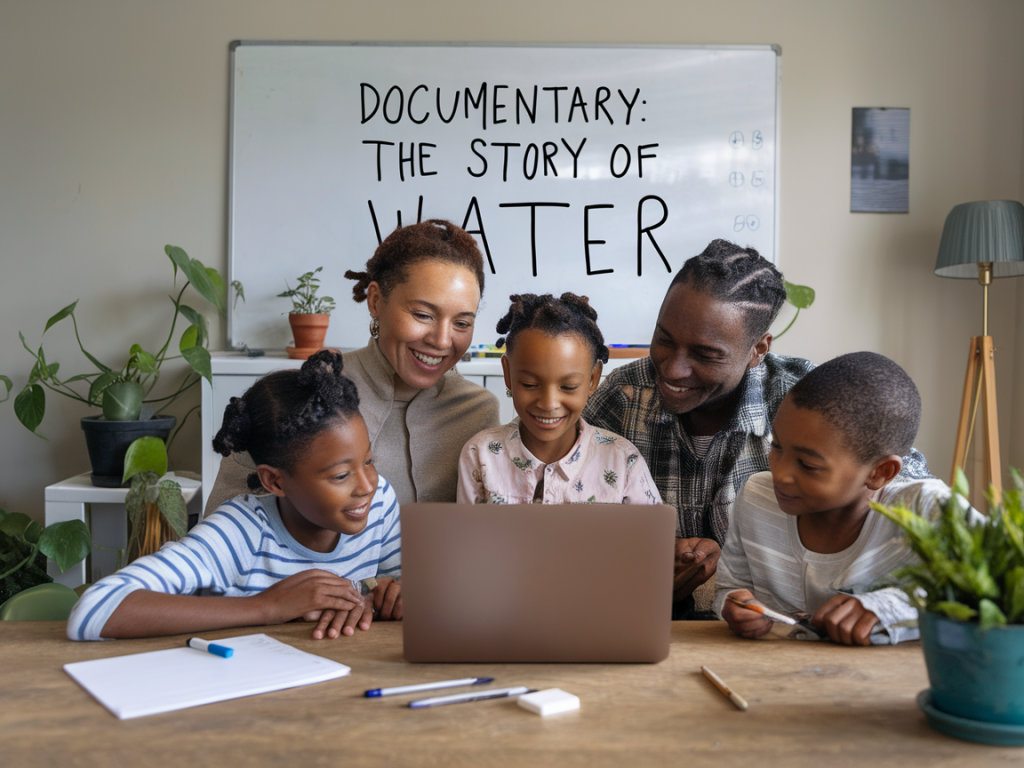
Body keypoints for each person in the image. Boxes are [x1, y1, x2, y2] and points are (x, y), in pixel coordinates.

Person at [582, 239, 930, 619]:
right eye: (664, 339)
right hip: (645, 620)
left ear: (758, 350)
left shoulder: (806, 402)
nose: (672, 368)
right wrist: (643, 551)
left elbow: (902, 490)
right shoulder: (624, 395)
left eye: (705, 354)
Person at [68, 351, 401, 641]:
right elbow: (96, 610)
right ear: (274, 481)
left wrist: (392, 597)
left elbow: (397, 586)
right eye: (341, 475)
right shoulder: (240, 531)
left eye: (369, 461)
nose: (367, 484)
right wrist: (267, 606)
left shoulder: (380, 504)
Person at [205, 219, 501, 515]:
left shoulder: (479, 411)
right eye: (423, 315)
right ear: (375, 301)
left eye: (462, 323)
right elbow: (223, 530)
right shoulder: (299, 397)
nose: (441, 340)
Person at [716, 352, 969, 645]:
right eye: (777, 447)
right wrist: (734, 606)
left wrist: (889, 608)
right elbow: (731, 588)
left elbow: (1002, 586)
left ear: (880, 472)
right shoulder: (756, 499)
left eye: (808, 465)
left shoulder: (927, 508)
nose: (781, 474)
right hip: (773, 679)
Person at [457, 293, 660, 505]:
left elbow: (651, 536)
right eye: (530, 385)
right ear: (508, 374)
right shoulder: (480, 456)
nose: (548, 403)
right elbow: (466, 537)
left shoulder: (624, 461)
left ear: (593, 379)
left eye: (568, 387)